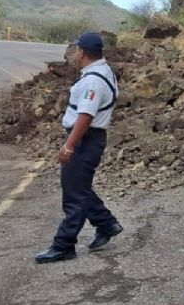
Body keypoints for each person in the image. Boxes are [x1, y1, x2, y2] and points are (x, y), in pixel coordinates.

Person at [35, 32, 123, 264]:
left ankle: (64, 245)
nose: (73, 54)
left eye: (75, 50)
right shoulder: (103, 71)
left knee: (73, 195)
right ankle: (106, 224)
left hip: (85, 140)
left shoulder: (94, 79)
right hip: (90, 138)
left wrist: (69, 146)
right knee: (79, 187)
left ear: (82, 53)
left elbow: (86, 115)